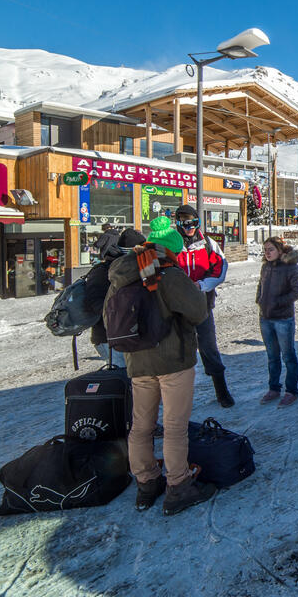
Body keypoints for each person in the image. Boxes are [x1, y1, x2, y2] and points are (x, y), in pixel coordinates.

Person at [106, 216, 214, 515]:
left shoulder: (121, 273)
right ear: (170, 249)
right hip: (172, 359)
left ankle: (145, 484)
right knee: (174, 427)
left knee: (140, 426)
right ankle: (178, 486)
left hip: (137, 361)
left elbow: (109, 317)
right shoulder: (167, 272)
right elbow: (198, 311)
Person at [172, 204, 234, 408]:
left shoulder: (206, 242)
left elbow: (220, 266)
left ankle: (221, 389)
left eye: (193, 222)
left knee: (208, 347)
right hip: (177, 308)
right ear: (178, 223)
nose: (189, 227)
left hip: (202, 304)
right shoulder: (170, 244)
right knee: (179, 351)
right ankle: (178, 396)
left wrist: (203, 285)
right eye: (185, 223)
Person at [85, 227, 147, 366]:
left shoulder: (133, 268)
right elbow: (95, 303)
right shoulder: (104, 271)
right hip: (110, 337)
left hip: (125, 335)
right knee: (124, 378)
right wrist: (122, 315)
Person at [255, 237, 298, 407]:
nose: (267, 253)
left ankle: (291, 391)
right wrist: (260, 300)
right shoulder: (265, 267)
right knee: (272, 356)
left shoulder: (290, 267)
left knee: (288, 356)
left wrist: (278, 301)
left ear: (280, 250)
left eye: (271, 249)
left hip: (283, 319)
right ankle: (274, 388)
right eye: (265, 249)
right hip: (265, 318)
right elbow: (260, 286)